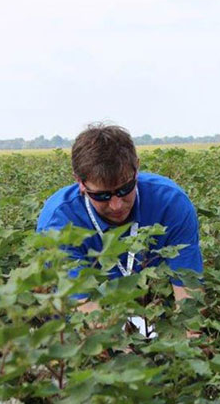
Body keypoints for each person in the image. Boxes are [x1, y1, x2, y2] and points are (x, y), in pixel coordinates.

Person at [36, 124, 203, 335]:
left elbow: (188, 291)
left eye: (125, 189)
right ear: (80, 182)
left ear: (137, 169)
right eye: (102, 195)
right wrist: (124, 355)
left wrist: (190, 348)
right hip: (88, 322)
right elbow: (84, 306)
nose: (116, 205)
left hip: (157, 316)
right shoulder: (59, 222)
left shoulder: (171, 203)